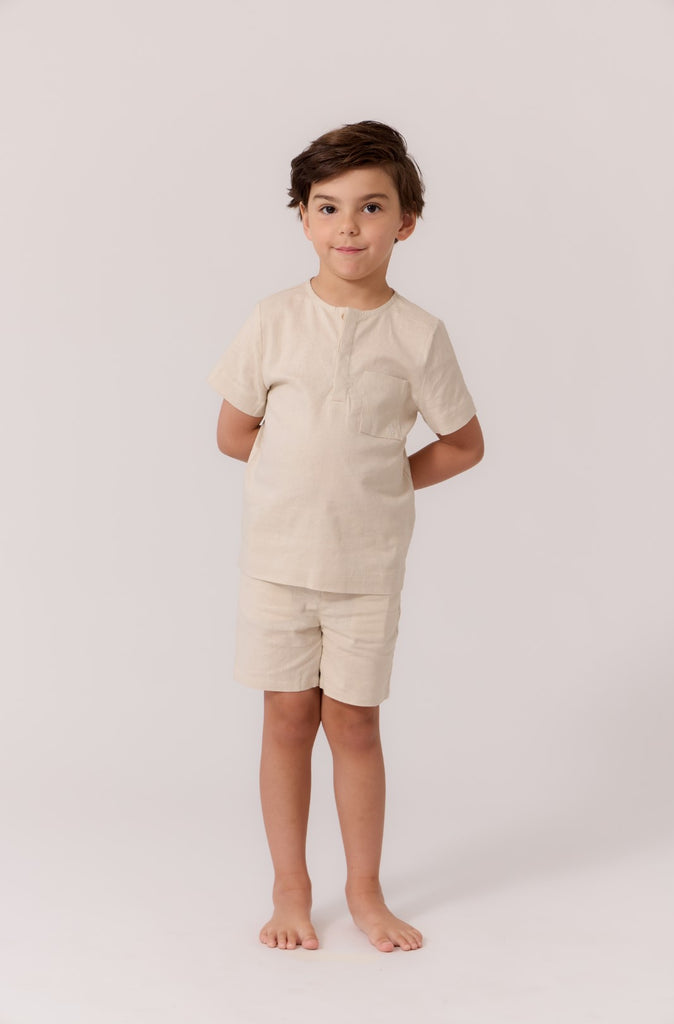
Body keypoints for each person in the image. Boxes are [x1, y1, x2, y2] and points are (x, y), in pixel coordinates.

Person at [207, 121, 484, 953]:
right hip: (277, 564)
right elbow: (233, 433)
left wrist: (379, 482)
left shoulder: (417, 335)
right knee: (287, 717)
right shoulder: (273, 320)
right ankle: (290, 886)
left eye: (370, 206)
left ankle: (364, 889)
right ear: (303, 218)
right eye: (327, 208)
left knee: (354, 725)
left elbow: (463, 444)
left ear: (405, 221)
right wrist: (301, 476)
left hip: (366, 569)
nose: (348, 226)